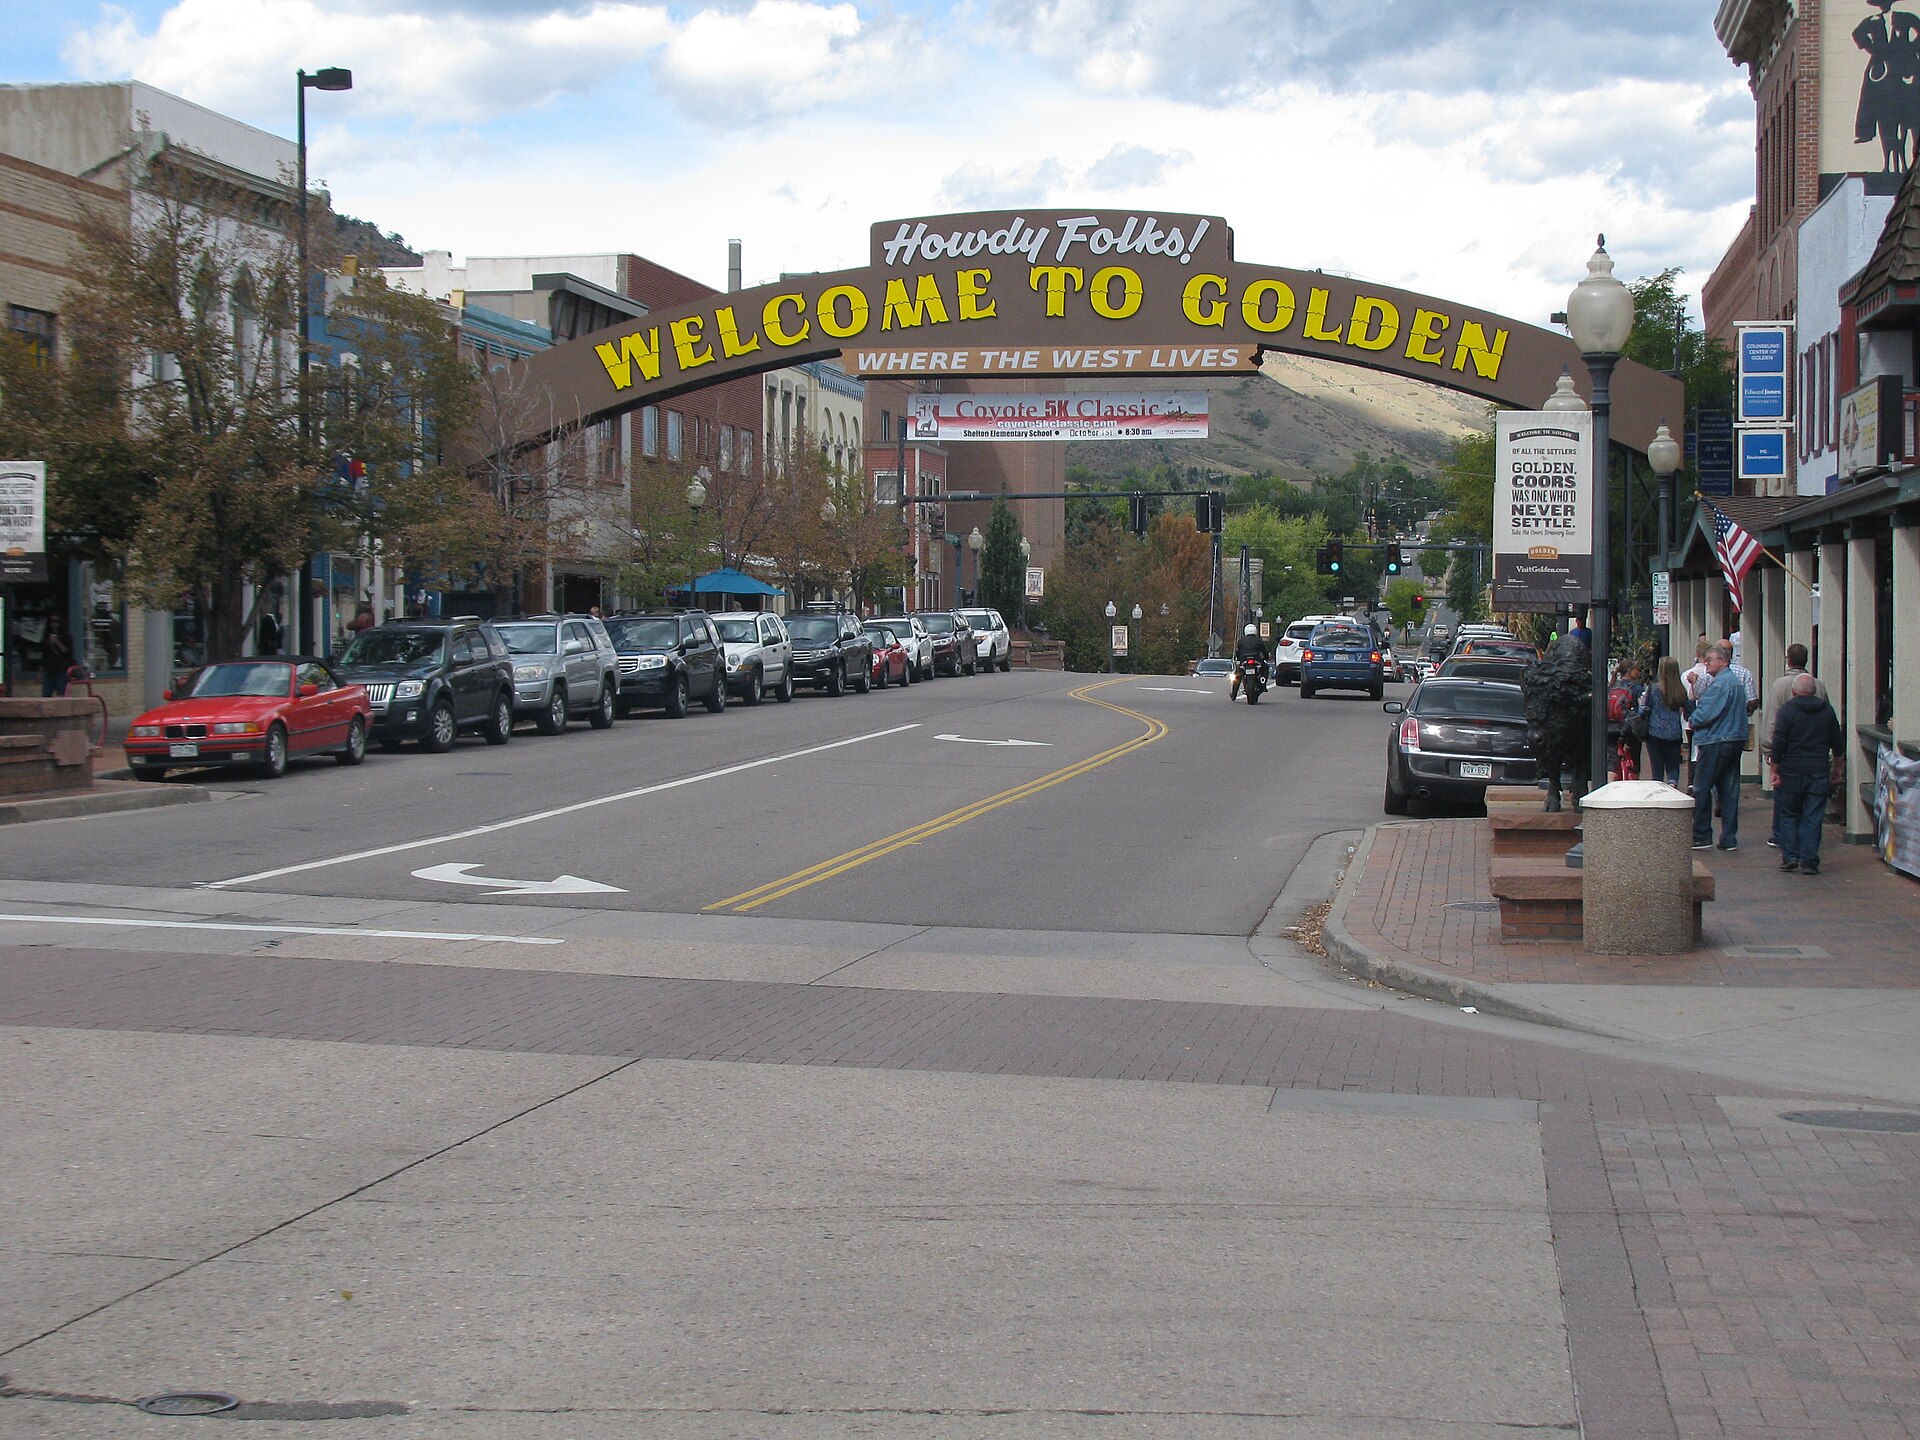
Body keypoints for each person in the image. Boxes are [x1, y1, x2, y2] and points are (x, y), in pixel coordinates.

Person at [1770, 672, 1845, 875]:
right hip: (1818, 769)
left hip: (1791, 770)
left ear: (1794, 692)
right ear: (1814, 691)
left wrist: (1774, 768)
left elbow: (1779, 741)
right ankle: (1809, 860)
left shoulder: (1786, 711)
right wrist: (1837, 769)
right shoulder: (1826, 711)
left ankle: (1790, 856)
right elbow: (1837, 743)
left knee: (1789, 814)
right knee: (1813, 816)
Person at [1760, 643, 1827, 848]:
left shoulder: (1780, 685)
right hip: (1814, 752)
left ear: (1788, 660)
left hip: (1787, 752)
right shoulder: (1817, 685)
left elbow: (1772, 719)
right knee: (1810, 804)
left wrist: (1769, 749)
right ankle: (1805, 842)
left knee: (1785, 799)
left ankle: (1782, 837)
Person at [1685, 642, 1748, 850]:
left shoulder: (1721, 684)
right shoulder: (1735, 683)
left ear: (1723, 661)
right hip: (1734, 739)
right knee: (1729, 791)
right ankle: (1729, 838)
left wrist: (1692, 720)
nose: (1706, 663)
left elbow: (1705, 713)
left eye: (1710, 660)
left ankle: (1702, 834)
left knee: (1702, 788)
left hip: (1715, 740)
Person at [1640, 655, 1688, 786]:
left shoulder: (1654, 688)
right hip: (1674, 733)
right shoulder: (1680, 690)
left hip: (1655, 733)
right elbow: (1688, 709)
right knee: (1673, 767)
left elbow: (1644, 710)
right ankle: (1672, 784)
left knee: (1657, 769)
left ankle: (1659, 789)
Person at [1230, 622, 1267, 699]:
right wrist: (1266, 657)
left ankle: (1234, 693)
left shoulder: (1241, 640)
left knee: (1238, 675)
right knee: (1265, 668)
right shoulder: (1258, 640)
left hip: (1244, 660)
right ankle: (1263, 684)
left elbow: (1238, 652)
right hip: (1256, 660)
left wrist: (1238, 659)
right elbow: (1264, 651)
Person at [41, 614, 73, 697]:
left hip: (61, 669)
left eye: (56, 621)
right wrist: (41, 669)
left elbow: (68, 652)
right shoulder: (46, 636)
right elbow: (44, 654)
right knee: (46, 695)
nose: (53, 623)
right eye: (51, 621)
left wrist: (57, 642)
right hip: (49, 669)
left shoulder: (66, 636)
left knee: (61, 694)